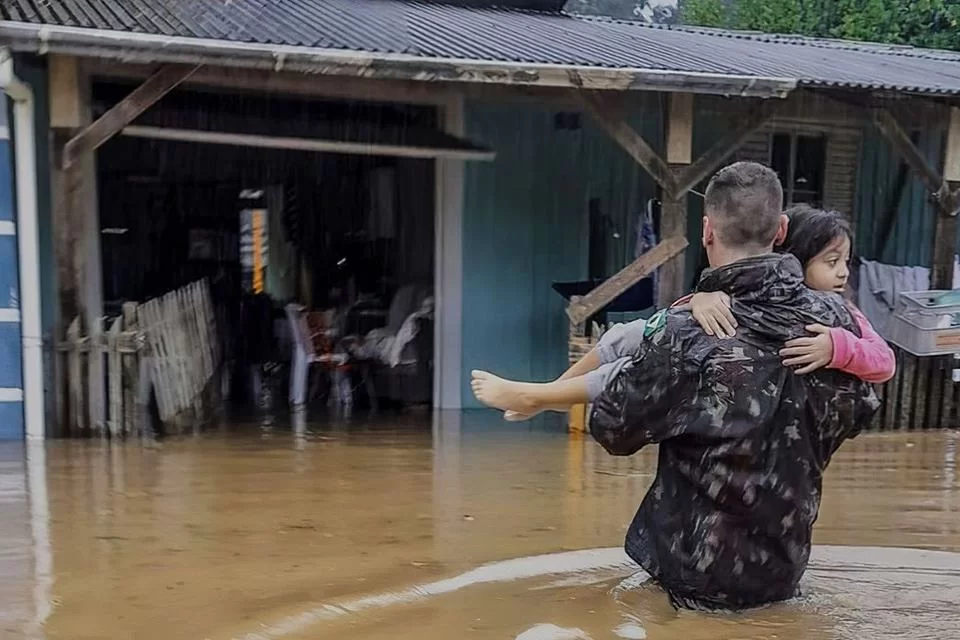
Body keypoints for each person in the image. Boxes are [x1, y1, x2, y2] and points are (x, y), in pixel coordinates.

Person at [587, 162, 879, 610]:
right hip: (785, 570)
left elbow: (611, 428)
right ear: (781, 229)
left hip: (692, 579)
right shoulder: (836, 321)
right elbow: (860, 410)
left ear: (707, 231)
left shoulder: (685, 334)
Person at [470, 205, 895, 417]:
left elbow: (884, 362)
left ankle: (539, 398)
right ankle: (550, 395)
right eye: (831, 261)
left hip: (750, 393)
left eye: (844, 262)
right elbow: (679, 321)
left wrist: (837, 347)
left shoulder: (838, 315)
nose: (842, 273)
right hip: (733, 377)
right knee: (626, 336)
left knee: (633, 371)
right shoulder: (745, 288)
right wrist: (699, 299)